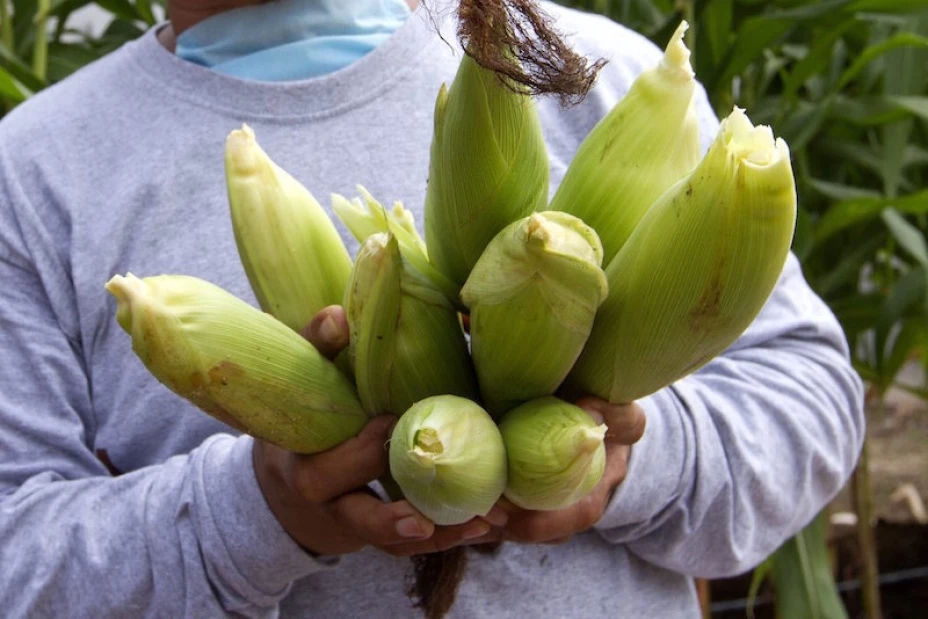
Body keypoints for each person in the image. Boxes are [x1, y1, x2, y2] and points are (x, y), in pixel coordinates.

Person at [0, 0, 864, 617]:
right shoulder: (33, 176)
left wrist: (624, 458)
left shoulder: (603, 78)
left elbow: (811, 400)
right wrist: (260, 510)